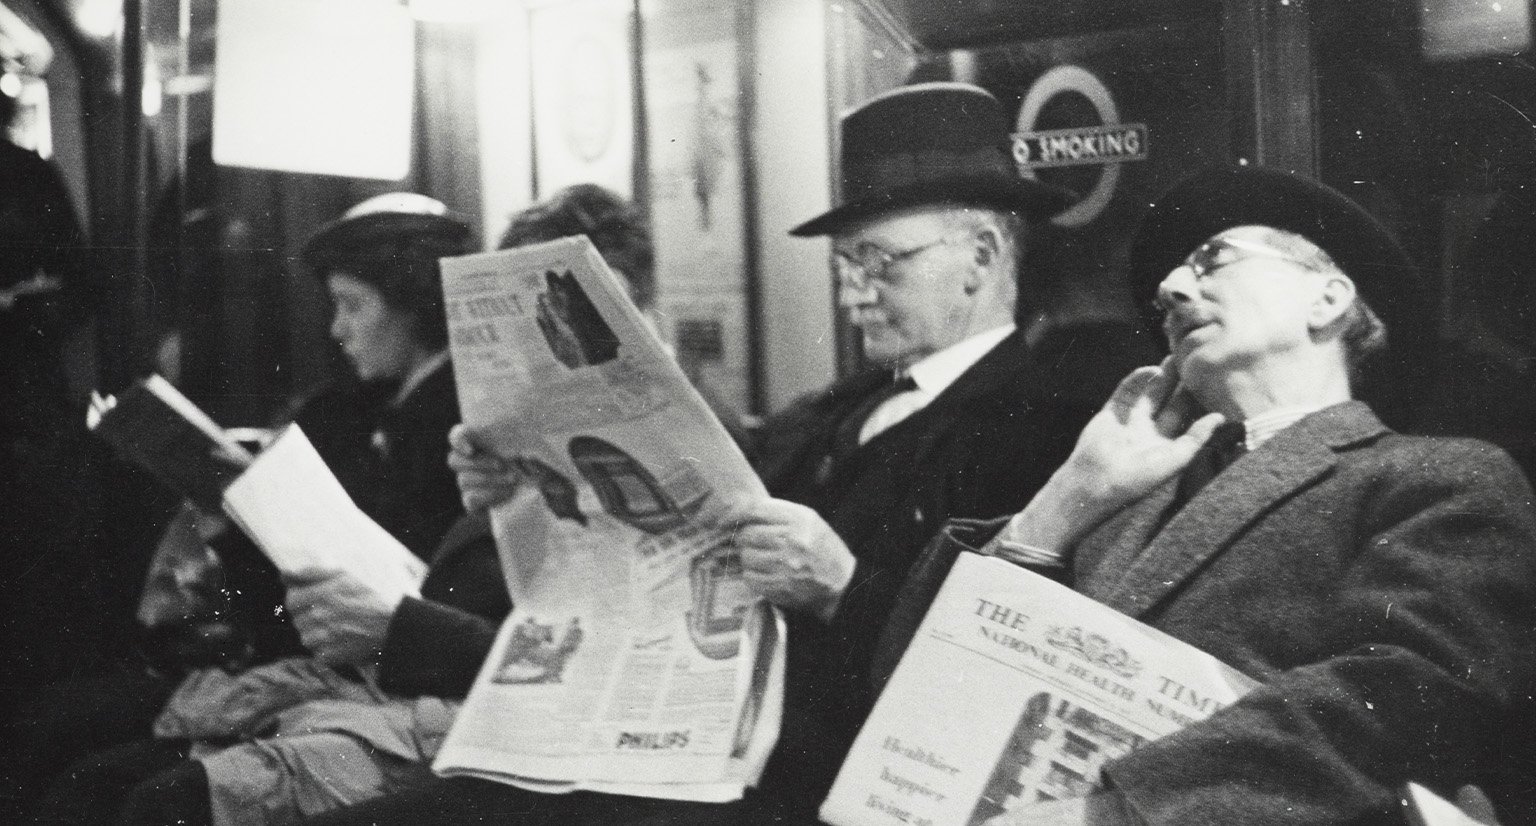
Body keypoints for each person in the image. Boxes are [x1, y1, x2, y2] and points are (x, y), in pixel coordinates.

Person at [302, 82, 1136, 826]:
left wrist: (842, 590)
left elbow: (1007, 666)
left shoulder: (1043, 419)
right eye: (847, 265)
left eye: (881, 263)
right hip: (675, 750)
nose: (852, 292)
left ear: (983, 256)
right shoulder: (831, 411)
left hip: (802, 785)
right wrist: (527, 484)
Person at [871, 165, 1536, 825]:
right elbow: (915, 684)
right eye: (1165, 296)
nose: (1169, 288)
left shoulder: (1440, 479)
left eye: (1212, 259)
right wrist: (1067, 497)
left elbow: (1399, 704)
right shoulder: (1121, 499)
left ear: (1328, 299)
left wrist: (1117, 813)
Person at [23, 193, 479, 826]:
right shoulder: (342, 415)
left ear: (414, 307)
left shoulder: (458, 433)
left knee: (107, 779)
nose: (336, 330)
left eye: (352, 305)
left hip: (377, 680)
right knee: (60, 733)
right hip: (305, 659)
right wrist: (232, 517)